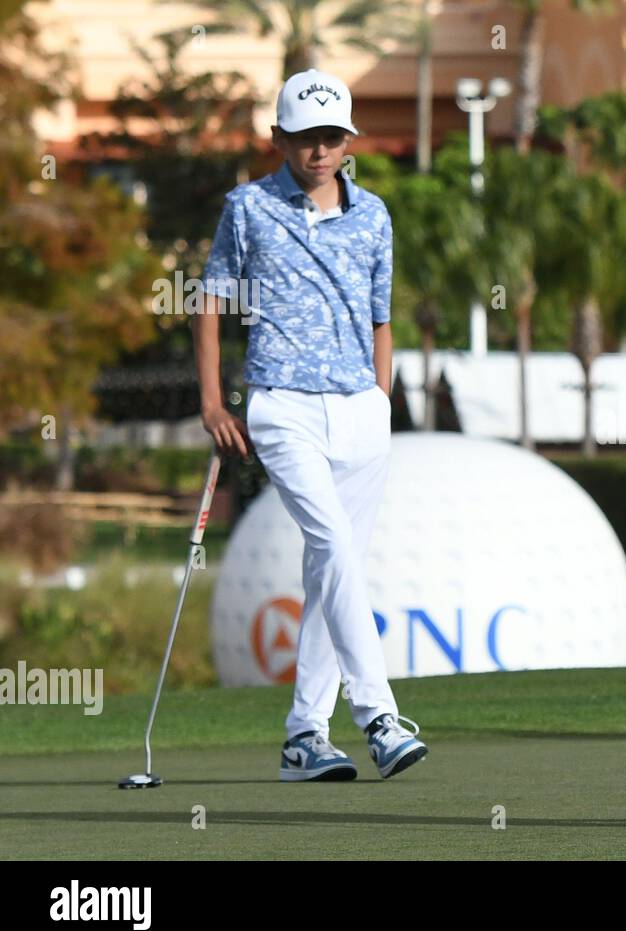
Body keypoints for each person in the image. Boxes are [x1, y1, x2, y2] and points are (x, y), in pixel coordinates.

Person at [196, 68, 427, 781]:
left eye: (331, 137)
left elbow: (381, 318)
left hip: (360, 408)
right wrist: (211, 402)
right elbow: (210, 303)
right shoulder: (247, 208)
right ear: (279, 139)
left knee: (337, 566)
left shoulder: (375, 215)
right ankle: (378, 716)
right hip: (281, 404)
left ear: (347, 139)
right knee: (329, 541)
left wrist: (381, 400)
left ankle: (304, 736)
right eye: (305, 138)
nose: (319, 151)